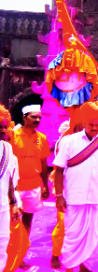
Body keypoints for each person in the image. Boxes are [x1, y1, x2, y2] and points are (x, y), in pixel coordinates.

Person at [53, 101, 98, 272]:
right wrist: (59, 196)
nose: (94, 128)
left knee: (94, 242)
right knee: (72, 239)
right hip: (74, 199)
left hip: (96, 200)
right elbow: (58, 170)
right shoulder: (69, 142)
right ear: (84, 123)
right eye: (91, 124)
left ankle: (85, 270)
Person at [10, 104, 50, 269]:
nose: (37, 120)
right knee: (12, 223)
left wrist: (45, 185)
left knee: (27, 222)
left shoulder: (41, 138)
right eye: (34, 117)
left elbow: (43, 162)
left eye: (39, 117)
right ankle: (9, 255)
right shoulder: (12, 136)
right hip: (15, 188)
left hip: (34, 186)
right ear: (24, 117)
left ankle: (20, 255)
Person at [51, 120, 84, 269]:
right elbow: (59, 169)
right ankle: (56, 254)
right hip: (65, 187)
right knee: (63, 223)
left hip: (80, 188)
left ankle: (76, 254)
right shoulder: (65, 142)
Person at [0, 105, 19, 271]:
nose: (3, 130)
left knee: (2, 242)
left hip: (3, 207)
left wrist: (13, 202)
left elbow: (9, 178)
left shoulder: (7, 148)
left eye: (5, 126)